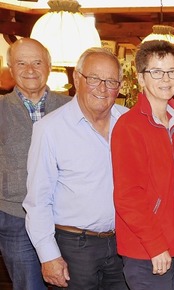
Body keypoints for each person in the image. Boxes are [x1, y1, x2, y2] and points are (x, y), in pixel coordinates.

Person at [23, 47, 128, 289]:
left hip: (123, 245)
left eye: (111, 81)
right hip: (74, 247)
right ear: (77, 79)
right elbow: (38, 200)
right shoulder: (50, 130)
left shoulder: (128, 122)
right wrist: (48, 255)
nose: (102, 88)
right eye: (94, 79)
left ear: (120, 86)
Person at [111, 40, 174, 290]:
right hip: (147, 250)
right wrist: (156, 245)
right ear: (141, 78)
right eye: (156, 71)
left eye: (171, 71)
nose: (166, 79)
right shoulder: (129, 126)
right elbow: (128, 197)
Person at [0, 38, 70, 290]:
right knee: (30, 286)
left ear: (49, 66)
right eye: (21, 63)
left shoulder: (71, 106)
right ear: (10, 67)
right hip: (16, 217)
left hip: (66, 217)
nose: (30, 69)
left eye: (37, 62)